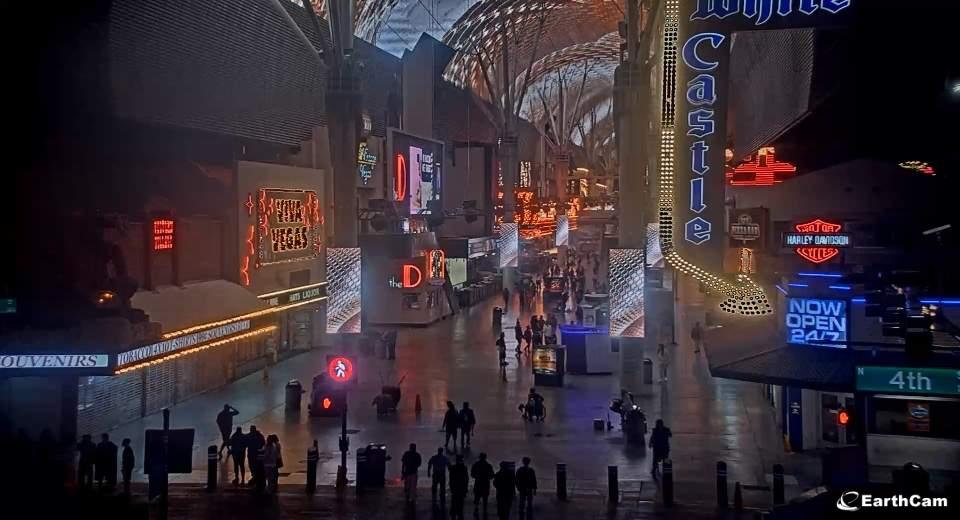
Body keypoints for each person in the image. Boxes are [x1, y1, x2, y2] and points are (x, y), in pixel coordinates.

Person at [449, 454, 469, 520]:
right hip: (461, 487)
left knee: (454, 500)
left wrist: (451, 486)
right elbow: (466, 479)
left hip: (455, 486)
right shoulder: (464, 468)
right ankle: (459, 513)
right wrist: (466, 488)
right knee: (460, 502)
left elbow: (451, 478)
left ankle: (454, 513)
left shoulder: (453, 468)